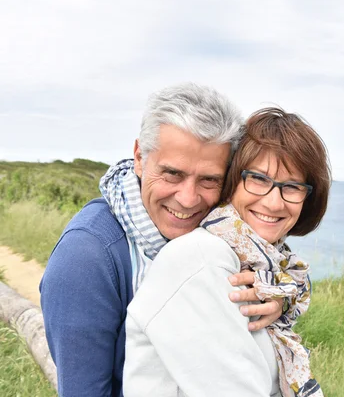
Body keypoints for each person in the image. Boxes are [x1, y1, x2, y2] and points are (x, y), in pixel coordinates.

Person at [39, 83, 284, 397]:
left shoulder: (222, 236)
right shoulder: (86, 258)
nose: (188, 198)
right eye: (172, 174)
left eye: (209, 179)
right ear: (140, 157)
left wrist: (274, 303)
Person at [123, 107, 331, 396]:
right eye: (258, 179)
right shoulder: (201, 260)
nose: (273, 203)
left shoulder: (262, 269)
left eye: (292, 186)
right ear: (232, 180)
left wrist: (280, 300)